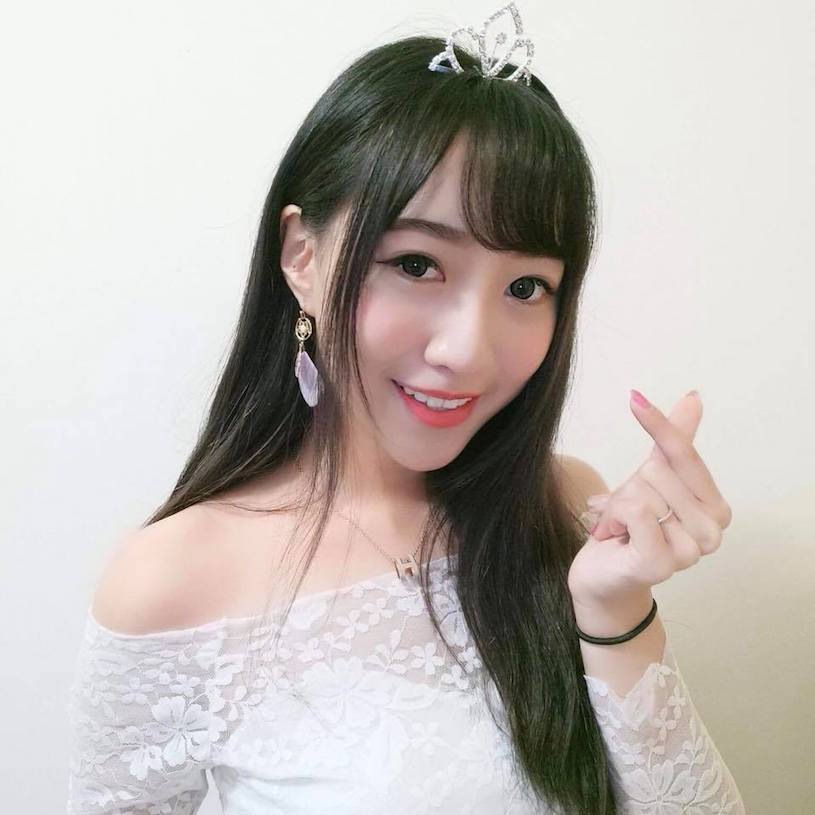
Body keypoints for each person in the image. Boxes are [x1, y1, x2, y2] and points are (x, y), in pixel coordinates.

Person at [66, 4, 746, 813]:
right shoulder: (171, 582)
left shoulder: (564, 501)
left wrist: (614, 610)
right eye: (417, 264)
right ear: (302, 254)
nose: (468, 350)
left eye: (525, 286)